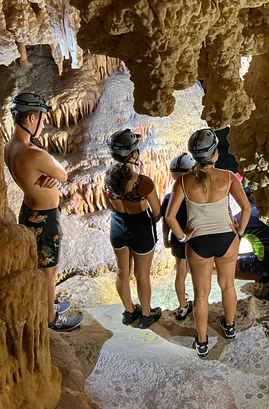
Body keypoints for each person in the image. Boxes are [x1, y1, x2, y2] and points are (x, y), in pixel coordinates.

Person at [165, 128, 251, 358]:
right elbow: (246, 208)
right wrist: (240, 231)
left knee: (201, 294)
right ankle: (230, 327)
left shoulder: (183, 181)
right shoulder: (229, 177)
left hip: (198, 242)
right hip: (226, 238)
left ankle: (202, 342)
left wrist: (183, 237)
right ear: (215, 154)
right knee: (228, 285)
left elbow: (170, 217)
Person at [5, 92, 82, 332]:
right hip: (45, 219)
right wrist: (49, 169)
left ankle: (47, 304)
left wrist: (43, 170)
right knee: (48, 270)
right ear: (30, 119)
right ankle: (50, 318)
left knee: (40, 266)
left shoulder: (11, 147)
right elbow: (62, 174)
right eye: (41, 118)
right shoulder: (35, 154)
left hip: (29, 211)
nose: (44, 123)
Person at [104, 129, 163, 329]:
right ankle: (146, 315)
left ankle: (129, 312)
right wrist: (151, 221)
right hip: (140, 227)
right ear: (134, 155)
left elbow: (108, 206)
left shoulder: (108, 178)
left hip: (118, 226)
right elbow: (157, 211)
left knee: (122, 272)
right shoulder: (143, 182)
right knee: (142, 275)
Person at [161, 153, 196, 320]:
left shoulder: (168, 198)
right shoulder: (195, 197)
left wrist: (166, 238)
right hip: (196, 238)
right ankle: (200, 302)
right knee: (198, 272)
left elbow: (166, 221)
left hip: (177, 238)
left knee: (180, 273)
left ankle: (183, 306)